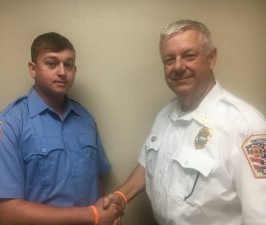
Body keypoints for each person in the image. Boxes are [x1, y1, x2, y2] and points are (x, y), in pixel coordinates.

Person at [103, 19, 266, 225]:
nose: (178, 67)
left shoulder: (246, 126)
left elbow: (260, 216)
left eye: (189, 56)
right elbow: (147, 166)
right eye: (169, 59)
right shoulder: (165, 115)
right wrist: (120, 197)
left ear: (211, 58)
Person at [0, 32, 120, 225]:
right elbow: (8, 215)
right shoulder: (7, 125)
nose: (62, 72)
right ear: (33, 69)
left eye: (69, 64)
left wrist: (106, 213)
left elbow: (97, 179)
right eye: (51, 63)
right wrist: (93, 215)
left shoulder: (86, 119)